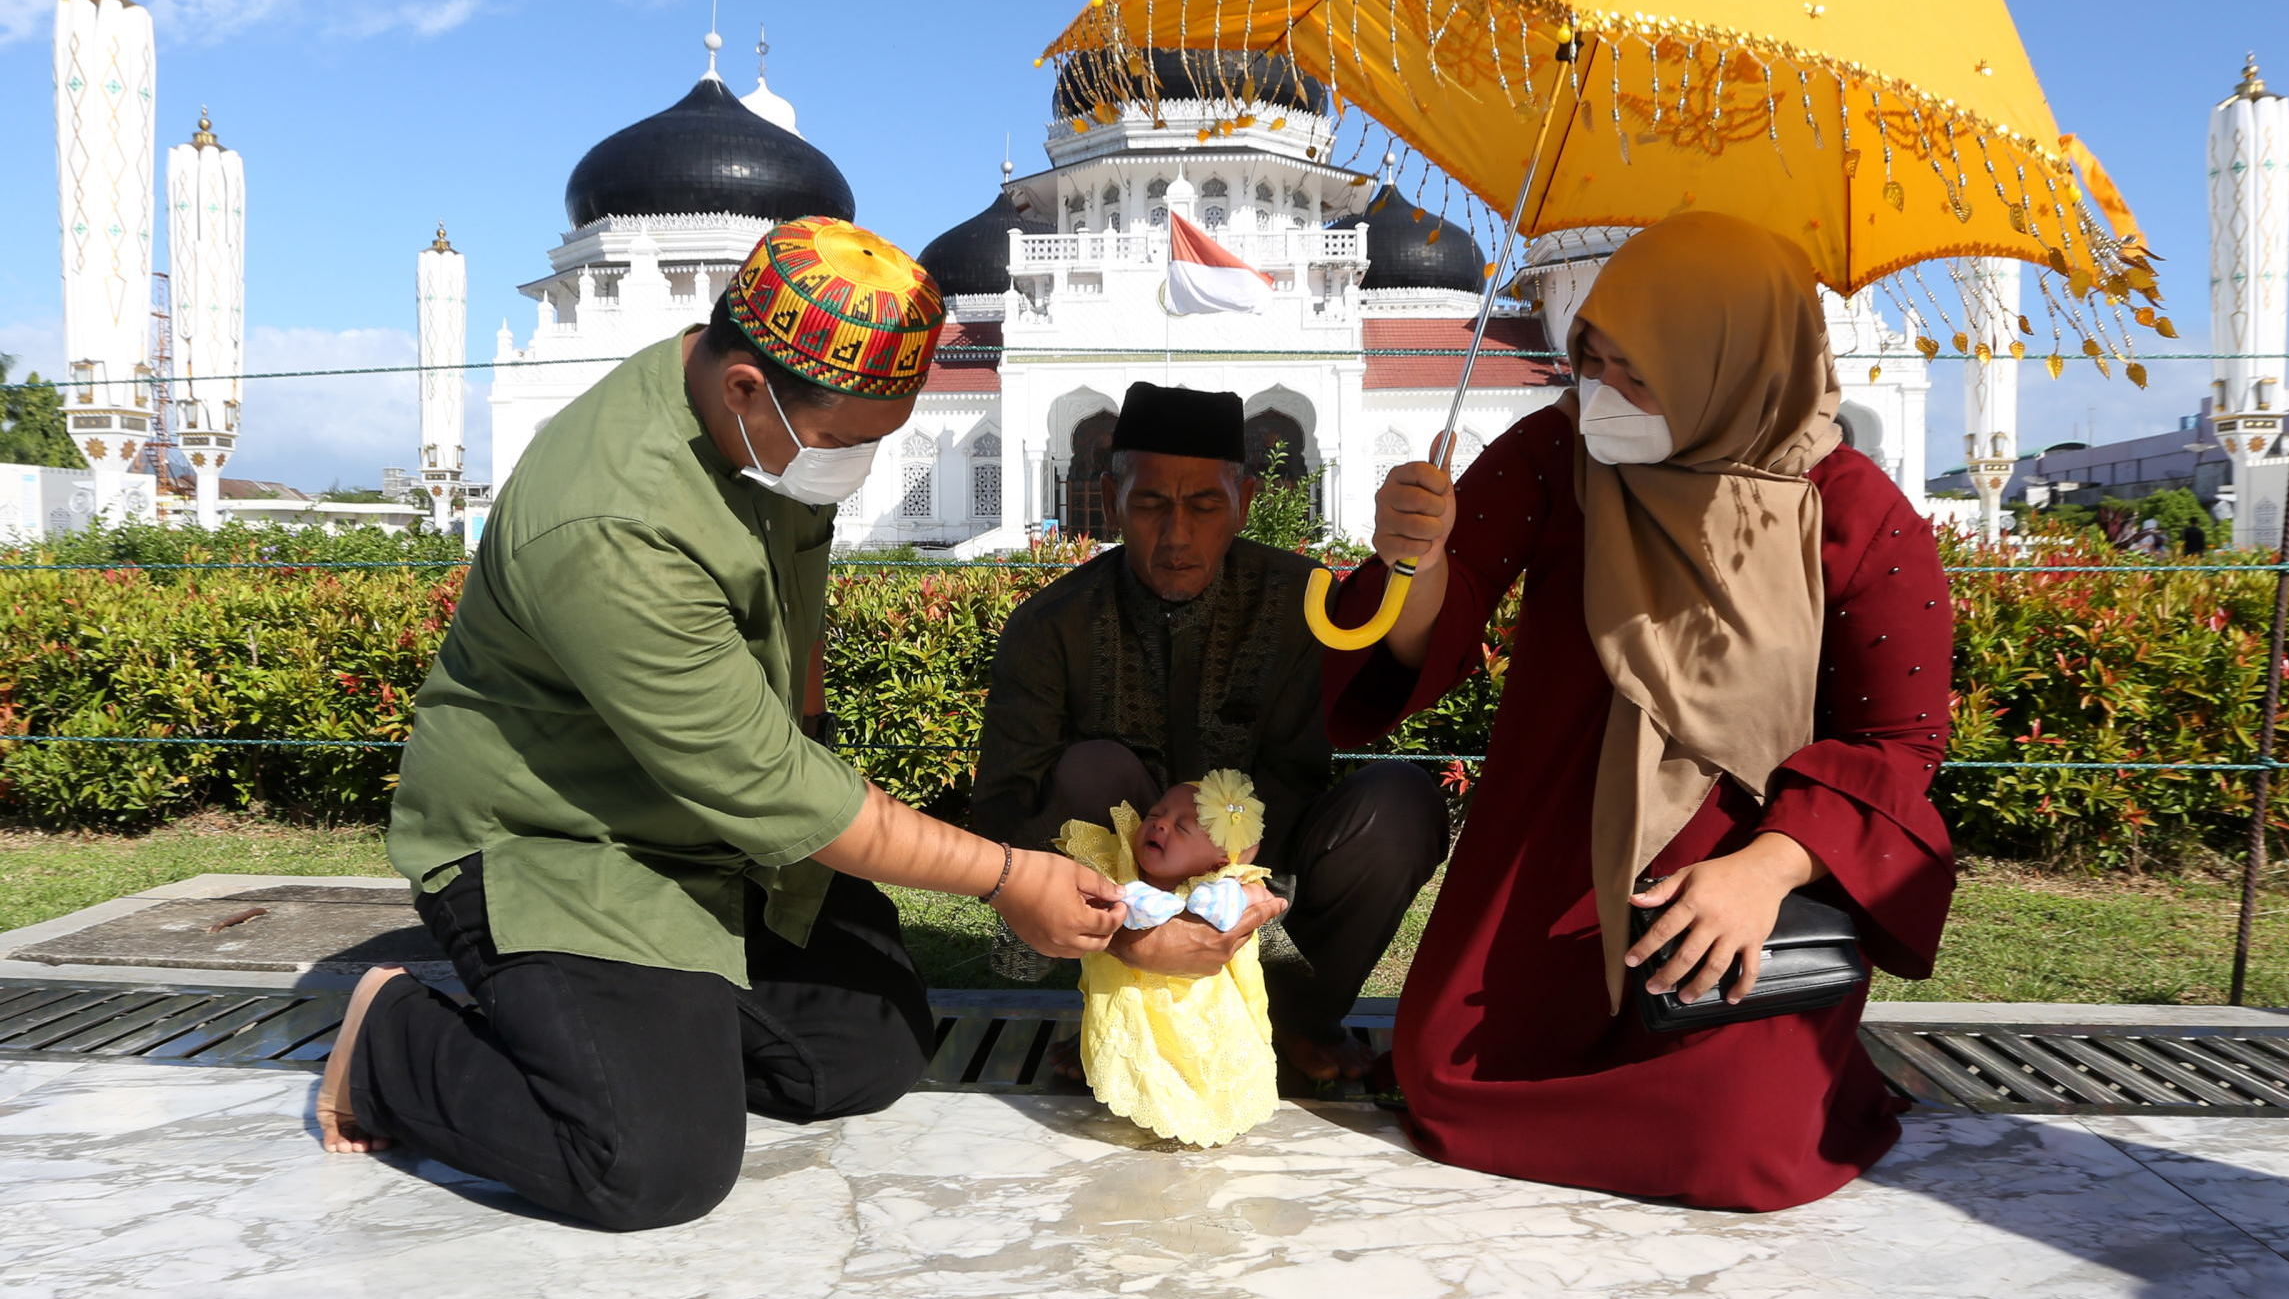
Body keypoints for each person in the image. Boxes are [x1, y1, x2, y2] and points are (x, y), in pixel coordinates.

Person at [318, 218, 1127, 1231]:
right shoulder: (612, 523)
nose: (859, 466)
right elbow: (770, 785)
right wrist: (1013, 878)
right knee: (648, 1166)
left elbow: (796, 629)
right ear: (744, 386)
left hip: (709, 828)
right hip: (562, 842)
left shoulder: (766, 435)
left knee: (869, 1053)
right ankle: (393, 1042)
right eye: (848, 443)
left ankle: (644, 1022)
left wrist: (818, 753)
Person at [1324, 213, 1956, 1211]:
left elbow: (1899, 744)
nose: (1603, 397)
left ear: (1733, 366)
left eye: (1639, 373)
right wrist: (1418, 558)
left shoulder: (1853, 511)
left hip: (1735, 886)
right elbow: (1431, 627)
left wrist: (1764, 871)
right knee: (1445, 1078)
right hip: (1550, 864)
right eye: (1593, 360)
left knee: (1739, 1149)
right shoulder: (1558, 453)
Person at [972, 382, 1449, 1083]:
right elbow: (1004, 815)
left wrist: (1420, 552)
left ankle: (1293, 1021)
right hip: (1123, 922)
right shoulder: (1052, 626)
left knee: (1401, 803)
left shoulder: (1301, 600)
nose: (1176, 537)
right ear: (1109, 501)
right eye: (1150, 505)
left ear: (1245, 504)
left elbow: (1393, 680)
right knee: (1090, 773)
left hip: (1269, 892)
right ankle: (1120, 1020)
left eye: (1203, 507)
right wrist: (1137, 923)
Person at [1056, 769, 1279, 1146]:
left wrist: (1236, 897)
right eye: (1156, 814)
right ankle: (1145, 1103)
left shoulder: (1224, 883)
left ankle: (1206, 1110)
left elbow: (1262, 897)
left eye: (1182, 827)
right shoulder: (1118, 865)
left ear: (1217, 860)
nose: (1160, 826)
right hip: (1131, 997)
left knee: (1205, 1059)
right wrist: (1128, 900)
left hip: (1203, 1003)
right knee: (1140, 1055)